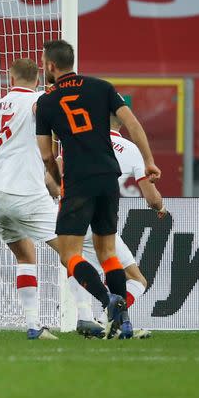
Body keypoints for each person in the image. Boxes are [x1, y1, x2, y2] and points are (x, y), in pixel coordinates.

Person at [35, 39, 161, 339]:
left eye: (44, 63)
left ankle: (108, 302)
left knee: (70, 255)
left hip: (79, 180)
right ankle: (124, 323)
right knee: (108, 253)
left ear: (51, 66)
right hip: (108, 177)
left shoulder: (47, 102)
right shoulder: (102, 87)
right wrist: (149, 161)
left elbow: (46, 154)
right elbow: (133, 122)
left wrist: (55, 178)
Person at [0, 58, 60, 340]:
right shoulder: (39, 101)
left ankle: (33, 325)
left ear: (10, 78)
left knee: (25, 256)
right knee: (72, 249)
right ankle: (96, 313)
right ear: (38, 78)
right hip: (27, 194)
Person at [69, 113, 167, 339]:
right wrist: (161, 207)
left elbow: (53, 178)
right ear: (121, 122)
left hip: (71, 216)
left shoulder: (80, 141)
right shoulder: (131, 149)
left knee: (73, 261)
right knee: (136, 279)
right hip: (100, 221)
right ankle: (107, 320)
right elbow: (152, 199)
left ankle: (88, 318)